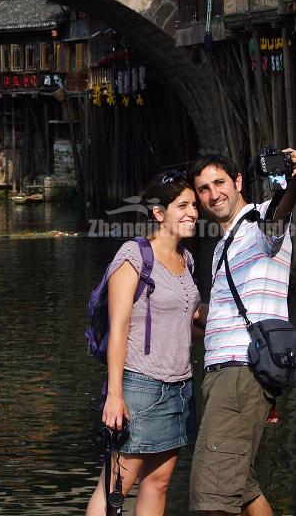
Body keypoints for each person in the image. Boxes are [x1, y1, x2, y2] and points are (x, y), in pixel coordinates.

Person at [188, 149, 296, 516]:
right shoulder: (226, 241)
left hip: (239, 372)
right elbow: (228, 312)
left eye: (220, 183)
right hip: (226, 375)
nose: (213, 195)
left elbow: (282, 209)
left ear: (238, 181)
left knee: (212, 499)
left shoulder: (260, 224)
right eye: (204, 189)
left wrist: (292, 177)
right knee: (242, 490)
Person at [86, 170, 202, 516]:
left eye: (194, 205)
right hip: (140, 387)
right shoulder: (133, 256)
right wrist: (115, 395)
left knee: (159, 483)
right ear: (158, 213)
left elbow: (184, 320)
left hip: (180, 388)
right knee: (115, 486)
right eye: (182, 205)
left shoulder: (186, 259)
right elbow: (119, 328)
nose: (192, 213)